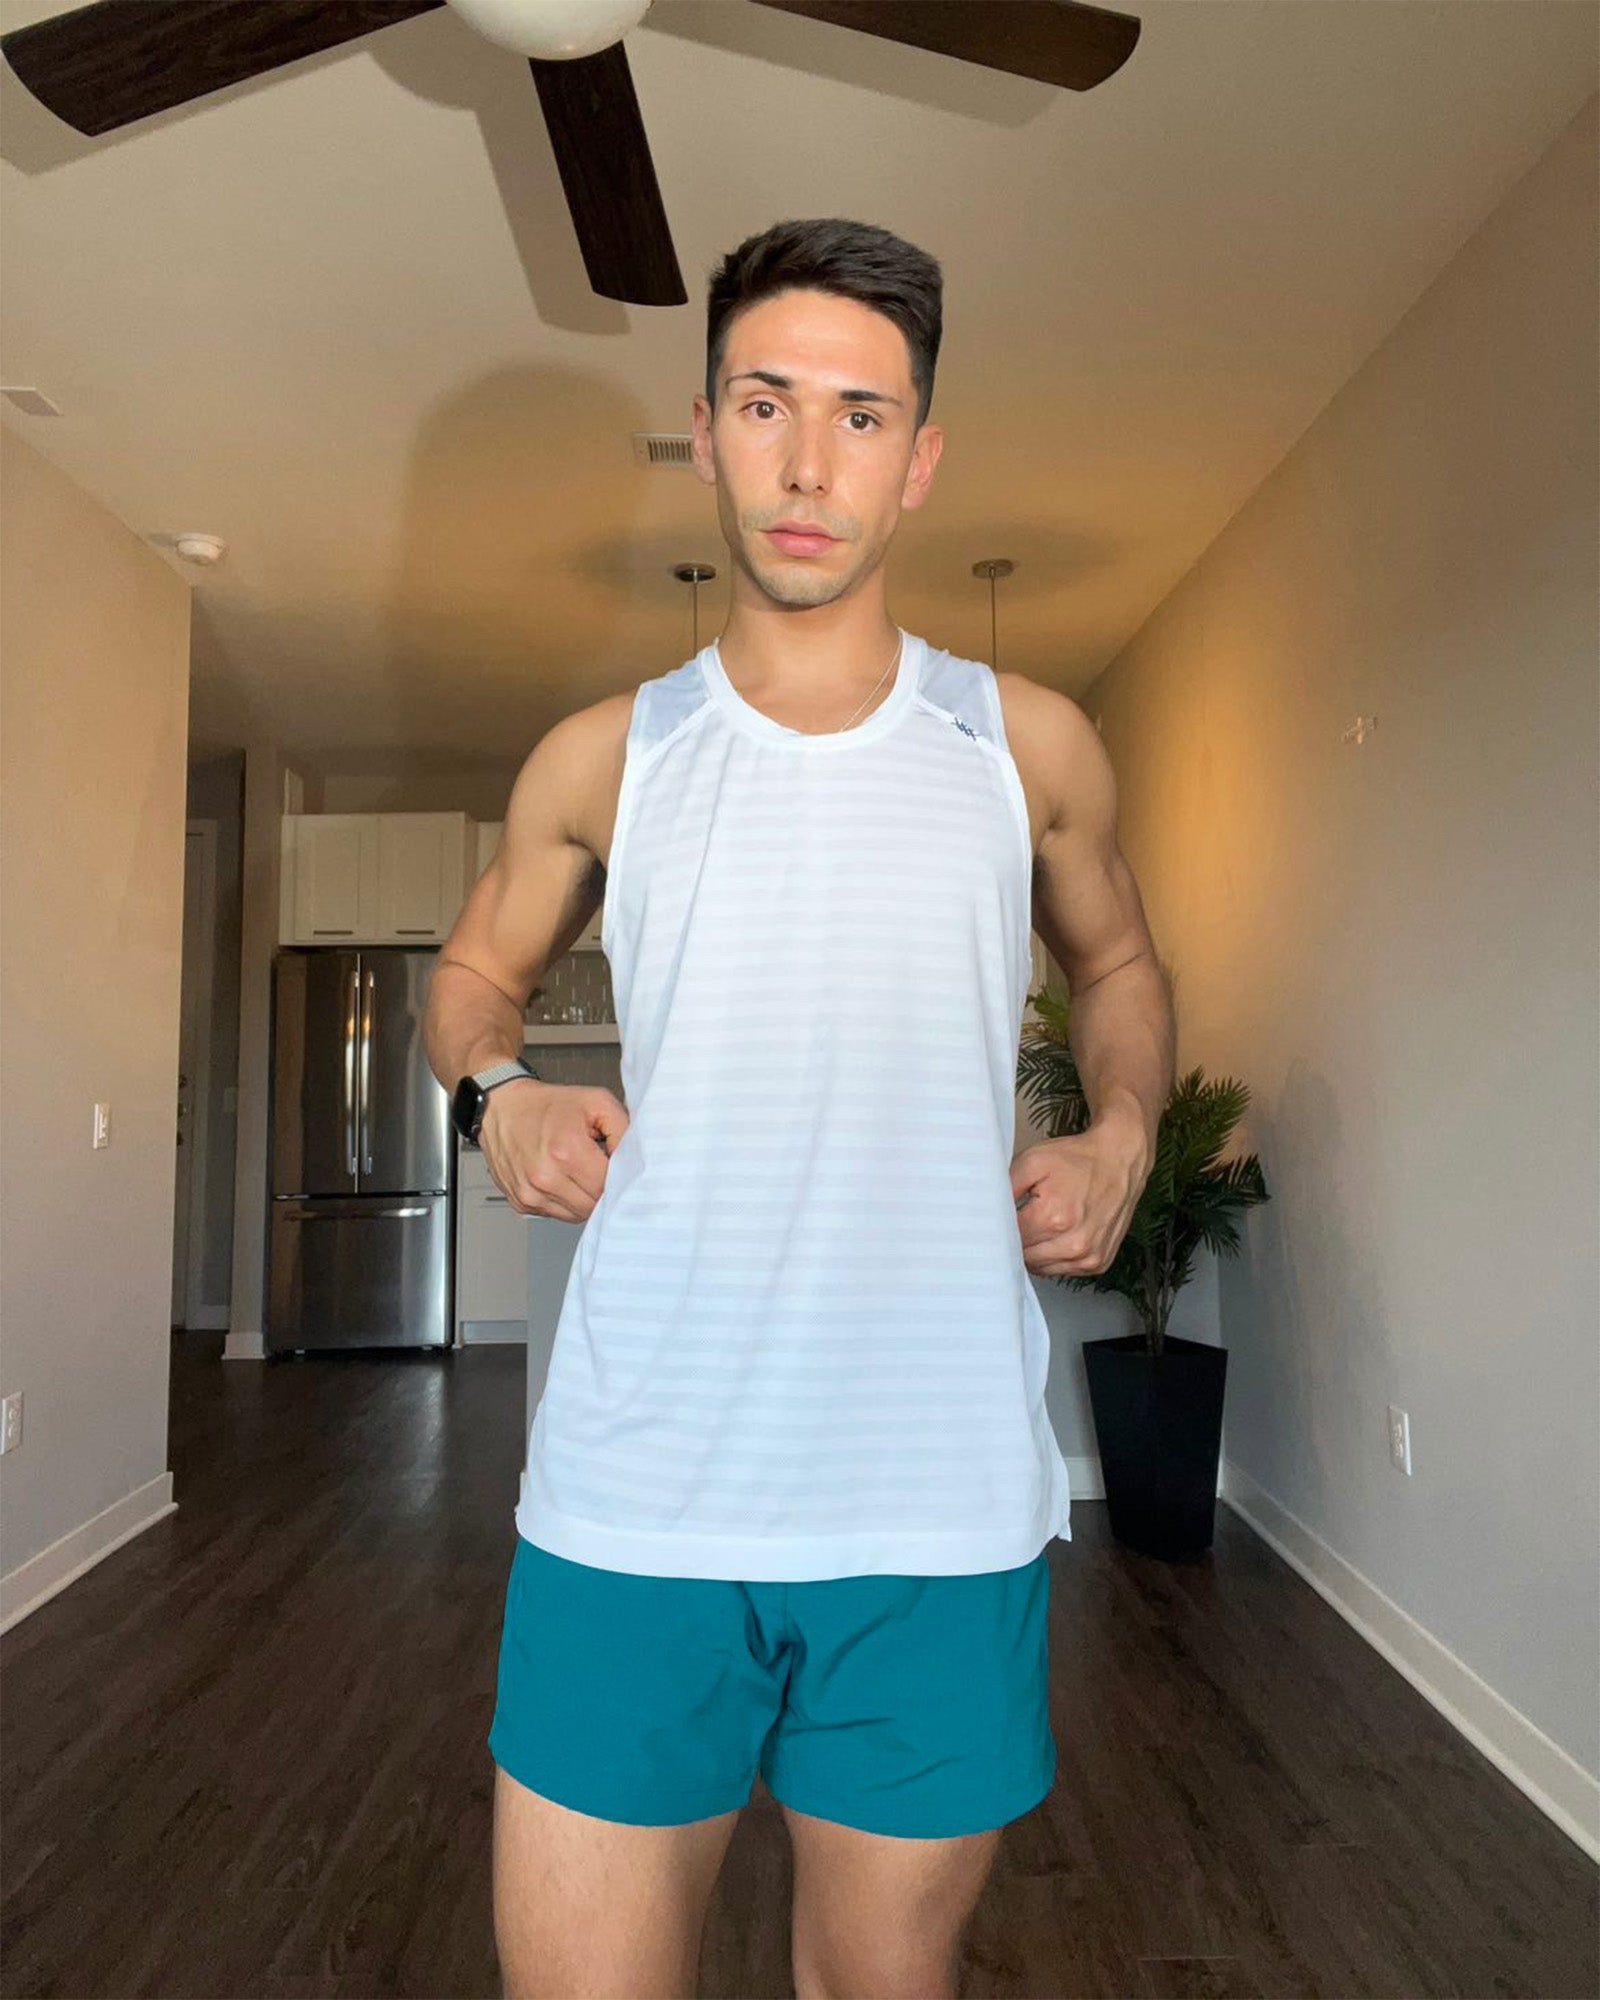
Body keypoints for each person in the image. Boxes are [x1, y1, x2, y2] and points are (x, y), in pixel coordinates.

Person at [424, 217, 1175, 2000]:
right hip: (637, 1499)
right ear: (706, 432)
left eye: (860, 415)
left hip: (933, 1510)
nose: (809, 463)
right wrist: (497, 1096)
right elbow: (467, 981)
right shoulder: (607, 756)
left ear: (921, 461)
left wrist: (1126, 1134)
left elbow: (1122, 967)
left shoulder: (1027, 747)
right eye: (767, 405)